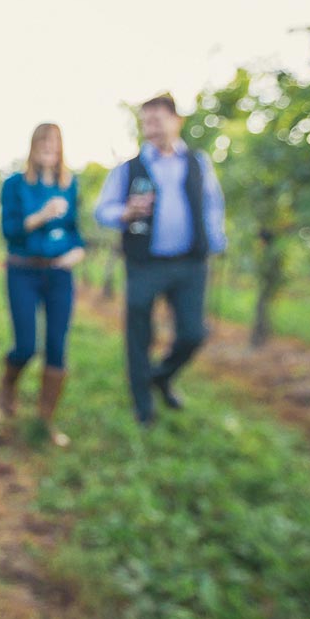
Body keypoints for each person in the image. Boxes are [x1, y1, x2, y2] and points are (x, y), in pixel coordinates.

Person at [94, 95, 227, 426]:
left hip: (190, 263)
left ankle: (161, 376)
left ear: (176, 120)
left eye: (156, 119)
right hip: (144, 263)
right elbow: (102, 210)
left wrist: (215, 240)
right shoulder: (129, 168)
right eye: (145, 120)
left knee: (193, 333)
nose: (149, 126)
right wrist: (125, 212)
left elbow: (213, 204)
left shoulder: (198, 162)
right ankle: (143, 406)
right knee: (139, 333)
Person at [0, 123, 86, 446]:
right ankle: (8, 387)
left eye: (55, 141)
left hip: (59, 274)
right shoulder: (15, 185)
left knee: (57, 347)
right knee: (25, 345)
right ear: (33, 146)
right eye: (43, 141)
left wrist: (78, 250)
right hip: (23, 271)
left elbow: (76, 230)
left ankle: (45, 421)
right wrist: (42, 215)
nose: (49, 146)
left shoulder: (70, 184)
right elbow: (10, 231)